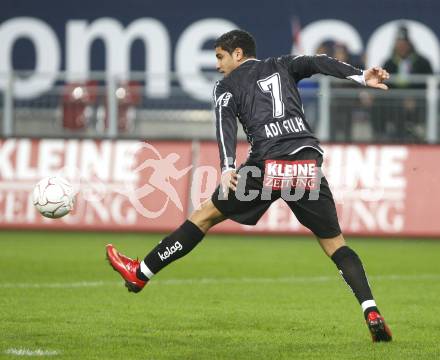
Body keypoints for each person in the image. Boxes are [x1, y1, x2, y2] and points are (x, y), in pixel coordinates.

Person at [106, 30, 392, 342]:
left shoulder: (227, 86)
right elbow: (317, 61)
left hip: (266, 166)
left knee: (204, 216)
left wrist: (228, 165)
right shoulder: (283, 64)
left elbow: (223, 122)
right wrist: (361, 76)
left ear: (238, 54)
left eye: (220, 57)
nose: (217, 65)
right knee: (336, 244)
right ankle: (370, 309)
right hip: (306, 166)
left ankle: (140, 273)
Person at [381, 24, 433, 141]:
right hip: (394, 103)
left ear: (409, 44)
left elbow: (430, 85)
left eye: (404, 44)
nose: (401, 47)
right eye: (399, 44)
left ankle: (419, 135)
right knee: (383, 105)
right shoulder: (389, 63)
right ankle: (382, 136)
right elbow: (383, 84)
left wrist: (415, 97)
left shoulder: (422, 62)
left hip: (419, 103)